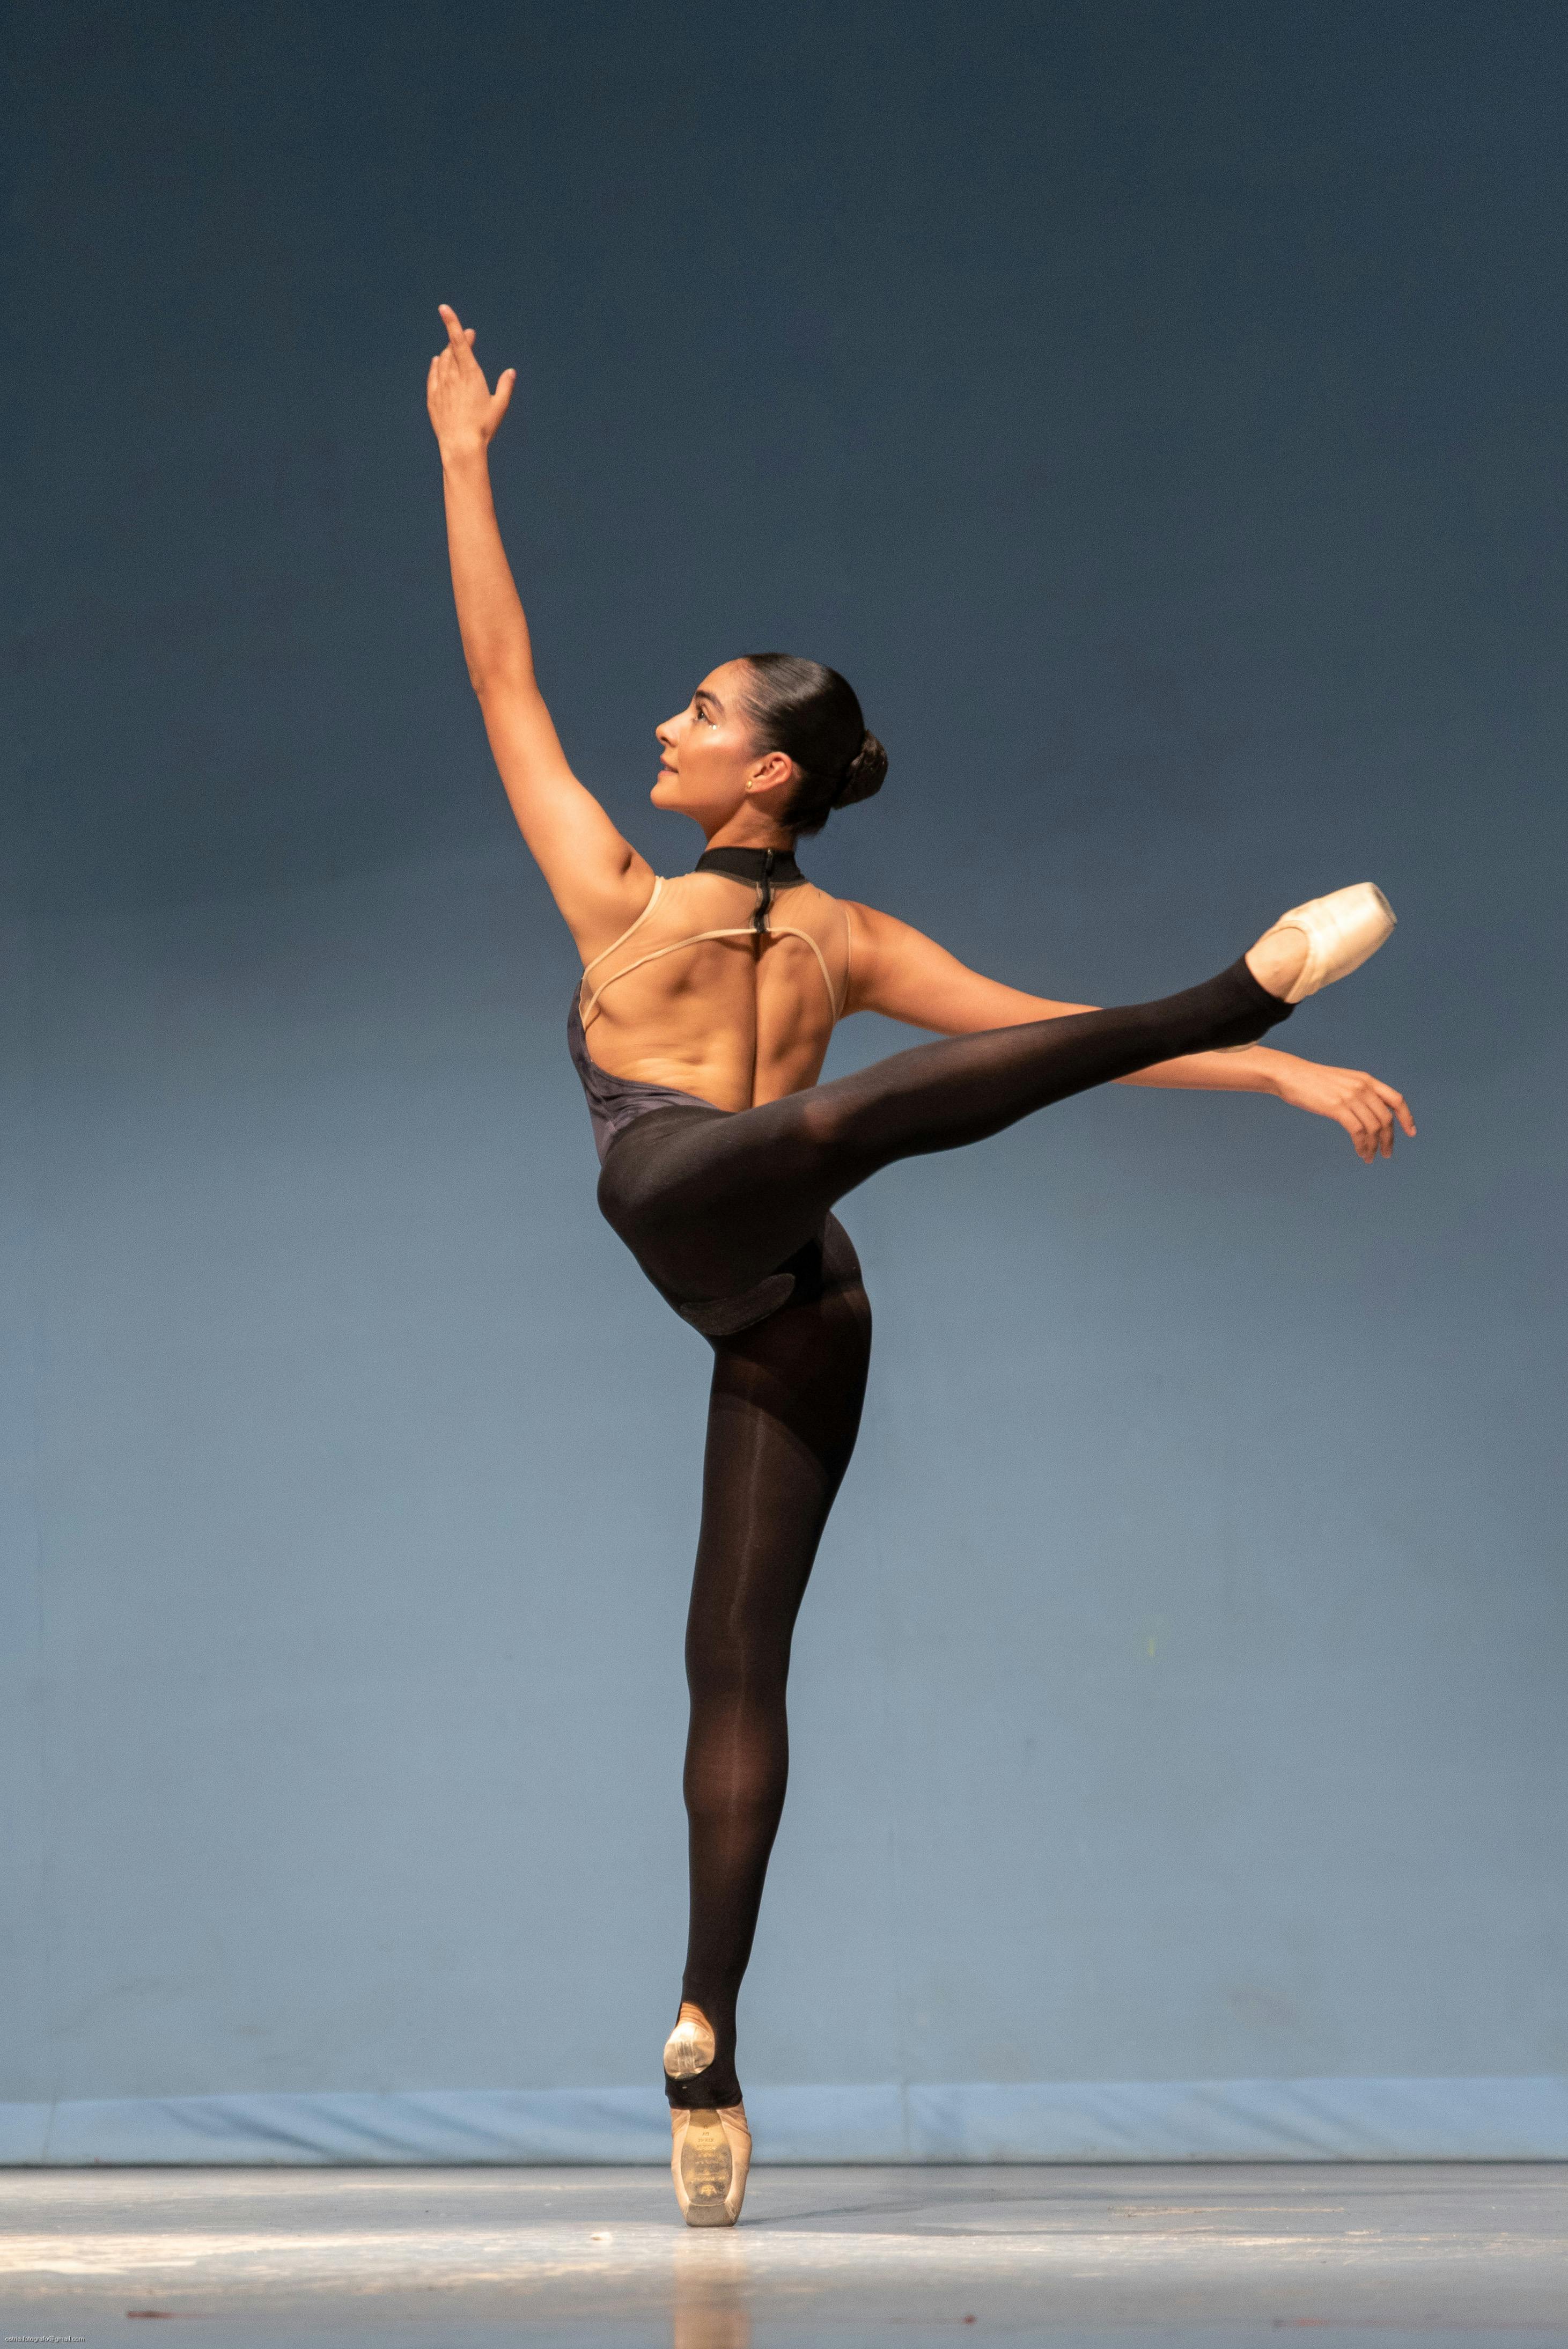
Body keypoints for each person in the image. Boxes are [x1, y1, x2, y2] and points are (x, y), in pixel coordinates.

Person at [425, 304, 1414, 2227]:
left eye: (701, 713)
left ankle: (705, 2033)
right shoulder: (642, 903)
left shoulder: (780, 933)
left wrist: (1264, 1069)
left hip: (795, 1289)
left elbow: (1036, 1023)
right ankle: (712, 2020)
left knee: (742, 1641)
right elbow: (504, 672)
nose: (664, 728)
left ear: (769, 777)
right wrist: (466, 463)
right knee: (810, 1153)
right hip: (709, 1210)